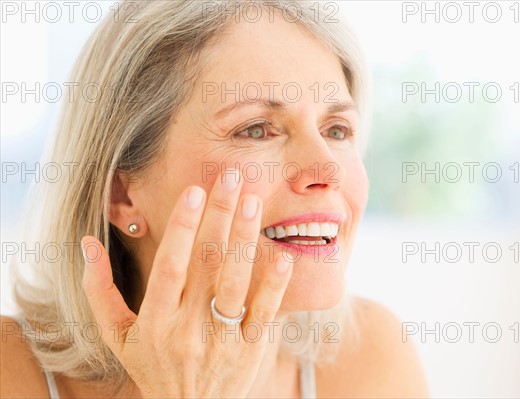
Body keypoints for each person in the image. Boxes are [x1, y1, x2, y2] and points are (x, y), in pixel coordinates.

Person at [1, 1, 428, 397]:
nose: (328, 171)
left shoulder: (373, 361)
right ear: (121, 194)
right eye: (256, 129)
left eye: (337, 130)